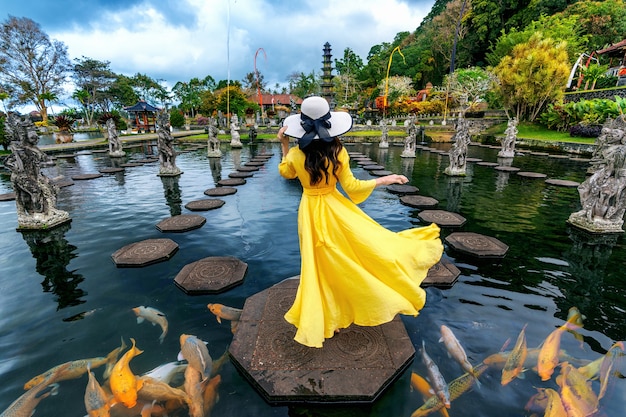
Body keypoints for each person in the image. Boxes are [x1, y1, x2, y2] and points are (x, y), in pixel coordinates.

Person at [278, 96, 444, 348]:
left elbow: (286, 172)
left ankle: (325, 311)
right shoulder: (338, 151)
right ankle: (348, 301)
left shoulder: (295, 155)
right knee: (352, 254)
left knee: (317, 262)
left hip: (310, 211)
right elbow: (353, 188)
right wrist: (382, 180)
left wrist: (284, 144)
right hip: (335, 209)